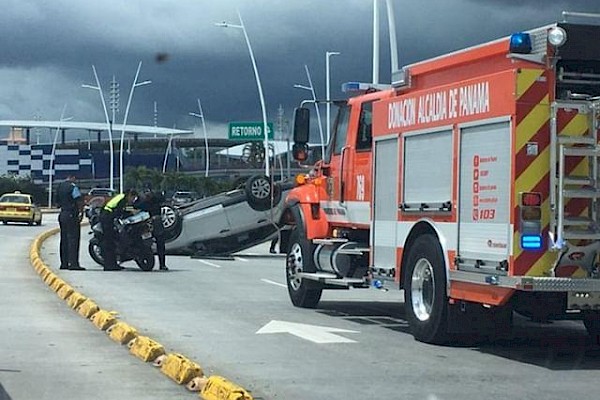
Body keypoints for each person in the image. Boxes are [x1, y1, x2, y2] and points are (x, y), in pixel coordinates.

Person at [99, 189, 138, 271]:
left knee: (113, 241)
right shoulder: (122, 199)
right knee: (109, 242)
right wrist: (130, 213)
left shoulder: (121, 198)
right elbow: (120, 211)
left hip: (108, 216)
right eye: (133, 198)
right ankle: (108, 265)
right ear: (129, 195)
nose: (132, 200)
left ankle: (114, 264)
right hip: (107, 216)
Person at [135, 184, 169, 271]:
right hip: (145, 223)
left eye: (148, 191)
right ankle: (152, 261)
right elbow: (135, 206)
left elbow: (163, 199)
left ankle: (162, 264)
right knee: (144, 242)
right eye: (146, 192)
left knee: (160, 244)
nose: (147, 194)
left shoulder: (155, 198)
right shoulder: (143, 201)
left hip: (154, 222)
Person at [56, 174, 85, 270]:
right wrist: (81, 213)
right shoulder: (73, 187)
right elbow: (78, 200)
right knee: (73, 239)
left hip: (63, 214)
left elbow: (57, 203)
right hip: (71, 215)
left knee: (63, 239)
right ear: (73, 178)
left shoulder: (60, 186)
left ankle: (64, 263)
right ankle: (73, 264)